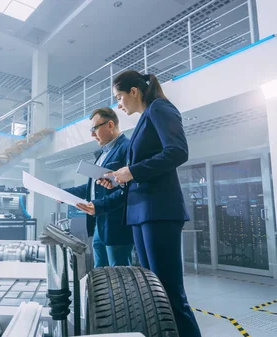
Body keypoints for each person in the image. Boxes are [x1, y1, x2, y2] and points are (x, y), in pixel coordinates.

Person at [75, 70, 202, 337]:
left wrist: (130, 172)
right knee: (155, 293)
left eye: (119, 97)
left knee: (169, 293)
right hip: (142, 212)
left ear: (134, 91)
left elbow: (178, 151)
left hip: (158, 211)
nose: (119, 105)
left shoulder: (160, 109)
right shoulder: (146, 117)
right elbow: (142, 170)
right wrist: (119, 178)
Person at [64, 107, 134, 267]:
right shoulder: (102, 154)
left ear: (110, 125)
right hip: (99, 224)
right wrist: (63, 194)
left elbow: (130, 190)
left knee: (118, 275)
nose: (92, 134)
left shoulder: (127, 148)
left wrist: (98, 205)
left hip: (117, 225)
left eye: (94, 128)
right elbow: (91, 188)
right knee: (100, 274)